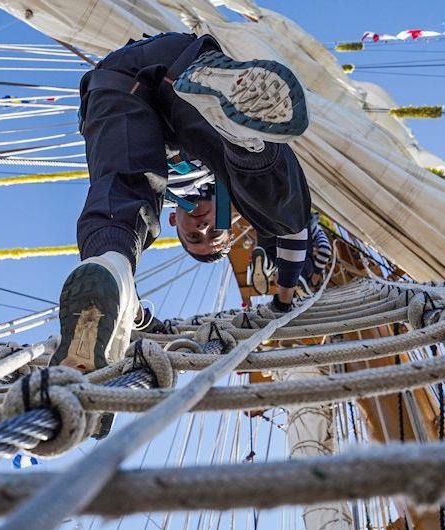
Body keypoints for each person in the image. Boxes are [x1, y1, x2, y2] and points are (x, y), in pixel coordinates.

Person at [51, 32, 311, 373]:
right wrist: (283, 298)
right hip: (177, 68)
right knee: (283, 216)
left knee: (120, 191)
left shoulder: (163, 197)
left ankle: (111, 270)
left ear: (175, 222)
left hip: (115, 82)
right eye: (213, 233)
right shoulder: (228, 189)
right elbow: (296, 233)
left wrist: (136, 314)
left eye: (194, 237)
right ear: (229, 221)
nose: (203, 227)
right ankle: (244, 138)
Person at [248, 212, 333, 297]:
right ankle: (298, 275)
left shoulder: (306, 217)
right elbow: (325, 249)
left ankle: (267, 263)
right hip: (292, 237)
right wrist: (316, 273)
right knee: (302, 260)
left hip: (267, 220)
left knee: (271, 253)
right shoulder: (313, 226)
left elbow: (326, 250)